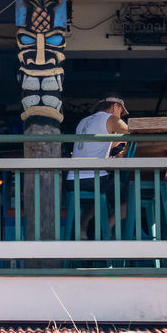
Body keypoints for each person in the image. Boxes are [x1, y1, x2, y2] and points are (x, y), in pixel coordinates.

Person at [68, 95, 130, 238]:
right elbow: (132, 133)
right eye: (121, 112)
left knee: (101, 196)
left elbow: (97, 145)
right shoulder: (111, 119)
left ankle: (83, 225)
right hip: (94, 178)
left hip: (73, 179)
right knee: (131, 197)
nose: (120, 116)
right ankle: (106, 229)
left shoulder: (83, 121)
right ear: (116, 107)